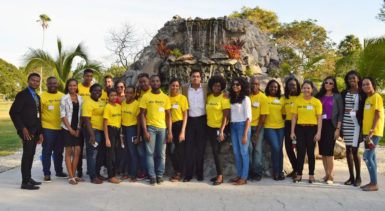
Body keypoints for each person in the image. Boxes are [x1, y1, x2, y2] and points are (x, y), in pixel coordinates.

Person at [9, 73, 44, 190]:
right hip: (26, 131)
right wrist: (22, 128)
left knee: (31, 154)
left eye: (37, 81)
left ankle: (28, 178)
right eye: (33, 80)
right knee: (27, 156)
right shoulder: (22, 95)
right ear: (28, 81)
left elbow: (38, 116)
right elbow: (13, 113)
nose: (35, 82)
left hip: (34, 131)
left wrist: (40, 132)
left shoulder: (37, 96)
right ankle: (25, 182)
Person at [140, 75, 172, 185]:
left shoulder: (165, 97)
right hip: (150, 128)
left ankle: (159, 175)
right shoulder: (146, 97)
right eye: (153, 81)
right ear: (150, 83)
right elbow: (142, 115)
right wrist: (145, 131)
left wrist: (170, 131)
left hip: (162, 128)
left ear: (160, 83)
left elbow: (169, 116)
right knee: (150, 153)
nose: (155, 83)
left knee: (161, 153)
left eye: (157, 81)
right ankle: (152, 176)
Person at [181, 68, 210, 182]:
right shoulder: (184, 88)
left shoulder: (205, 88)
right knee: (189, 149)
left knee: (200, 149)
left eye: (198, 76)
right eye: (193, 76)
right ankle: (188, 174)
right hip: (189, 121)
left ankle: (199, 174)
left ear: (201, 78)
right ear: (190, 78)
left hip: (202, 120)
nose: (195, 78)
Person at [291, 80, 322, 183]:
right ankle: (299, 174)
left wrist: (318, 132)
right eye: (304, 88)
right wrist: (292, 132)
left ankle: (311, 175)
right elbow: (294, 117)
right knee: (300, 152)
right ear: (301, 89)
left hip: (312, 129)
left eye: (308, 88)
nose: (306, 90)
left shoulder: (316, 102)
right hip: (300, 129)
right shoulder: (297, 101)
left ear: (312, 89)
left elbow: (319, 118)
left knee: (310, 153)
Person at [315, 76, 343, 184]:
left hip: (332, 125)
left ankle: (331, 176)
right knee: (323, 151)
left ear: (334, 85)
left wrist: (338, 129)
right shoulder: (319, 96)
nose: (328, 84)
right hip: (321, 125)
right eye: (326, 82)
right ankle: (326, 174)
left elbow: (340, 113)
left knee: (329, 151)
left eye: (331, 83)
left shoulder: (337, 96)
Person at [341, 70, 366, 186]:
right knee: (348, 149)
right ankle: (351, 177)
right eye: (349, 78)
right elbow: (341, 108)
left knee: (355, 150)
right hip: (346, 122)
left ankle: (358, 177)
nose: (351, 80)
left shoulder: (362, 93)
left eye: (353, 78)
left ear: (358, 79)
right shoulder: (344, 92)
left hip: (357, 123)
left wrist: (363, 127)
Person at [40, 77, 66, 182]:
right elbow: (39, 114)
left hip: (61, 129)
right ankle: (47, 173)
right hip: (47, 129)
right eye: (50, 83)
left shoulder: (63, 96)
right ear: (46, 85)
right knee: (47, 152)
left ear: (57, 84)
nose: (52, 85)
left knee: (59, 152)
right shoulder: (42, 97)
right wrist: (40, 130)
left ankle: (59, 171)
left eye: (54, 83)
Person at [205, 76, 229, 185]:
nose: (216, 87)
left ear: (222, 87)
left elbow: (226, 116)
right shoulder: (209, 97)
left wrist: (222, 130)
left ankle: (220, 175)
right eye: (215, 85)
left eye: (219, 86)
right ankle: (218, 174)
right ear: (211, 86)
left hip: (220, 128)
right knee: (214, 151)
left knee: (216, 151)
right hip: (209, 127)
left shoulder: (224, 98)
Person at [361, 77, 384, 191]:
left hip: (373, 133)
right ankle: (372, 182)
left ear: (373, 85)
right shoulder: (368, 99)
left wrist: (371, 132)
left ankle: (374, 184)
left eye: (368, 84)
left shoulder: (376, 97)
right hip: (367, 133)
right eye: (363, 84)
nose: (365, 86)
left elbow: (377, 115)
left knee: (367, 157)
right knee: (372, 158)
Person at [60, 79, 84, 185]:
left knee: (78, 151)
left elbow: (82, 115)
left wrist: (78, 129)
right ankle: (70, 177)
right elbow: (63, 115)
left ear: (77, 86)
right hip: (67, 128)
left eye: (74, 85)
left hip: (77, 128)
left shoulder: (81, 98)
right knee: (69, 152)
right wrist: (70, 129)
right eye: (70, 85)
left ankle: (73, 175)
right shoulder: (64, 98)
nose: (72, 87)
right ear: (67, 87)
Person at [228, 77, 251, 185]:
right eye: (234, 84)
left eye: (238, 84)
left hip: (243, 126)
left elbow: (248, 118)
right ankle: (239, 174)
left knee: (244, 152)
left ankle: (244, 177)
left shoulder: (245, 99)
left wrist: (245, 134)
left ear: (242, 86)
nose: (235, 86)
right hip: (233, 126)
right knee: (236, 153)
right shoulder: (232, 98)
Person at [82, 84, 106, 184]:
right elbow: (86, 120)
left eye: (100, 91)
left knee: (98, 154)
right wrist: (92, 135)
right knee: (92, 154)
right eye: (95, 91)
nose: (98, 92)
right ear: (90, 92)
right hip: (92, 131)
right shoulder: (88, 103)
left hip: (100, 131)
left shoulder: (101, 102)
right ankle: (93, 177)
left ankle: (96, 173)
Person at [168, 78, 189, 183]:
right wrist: (170, 131)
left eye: (177, 86)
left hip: (180, 125)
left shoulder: (182, 98)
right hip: (170, 126)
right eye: (173, 85)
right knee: (171, 150)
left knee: (180, 151)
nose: (175, 88)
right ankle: (177, 170)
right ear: (169, 86)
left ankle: (179, 173)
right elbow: (168, 115)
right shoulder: (167, 99)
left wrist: (183, 131)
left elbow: (185, 115)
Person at [264, 80, 285, 181]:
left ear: (278, 89)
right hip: (268, 127)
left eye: (275, 87)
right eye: (271, 87)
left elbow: (284, 113)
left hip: (280, 127)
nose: (273, 89)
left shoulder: (281, 99)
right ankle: (276, 172)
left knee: (280, 149)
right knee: (276, 147)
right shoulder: (265, 98)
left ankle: (281, 171)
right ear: (268, 87)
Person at [249, 77, 269, 181]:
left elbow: (263, 117)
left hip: (258, 127)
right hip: (247, 126)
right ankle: (249, 172)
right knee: (249, 149)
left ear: (259, 85)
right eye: (252, 84)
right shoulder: (247, 97)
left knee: (257, 150)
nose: (254, 86)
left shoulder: (263, 98)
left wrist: (257, 133)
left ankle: (257, 173)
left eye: (256, 84)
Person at [121, 86, 141, 182]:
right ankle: (127, 173)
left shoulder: (137, 104)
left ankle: (134, 174)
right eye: (126, 92)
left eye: (130, 93)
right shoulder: (123, 103)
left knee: (133, 152)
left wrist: (138, 136)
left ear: (133, 94)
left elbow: (139, 122)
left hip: (132, 129)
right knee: (126, 152)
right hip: (124, 129)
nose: (128, 94)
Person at [283, 77, 301, 178]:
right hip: (288, 125)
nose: (292, 87)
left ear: (297, 86)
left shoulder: (301, 97)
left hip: (299, 125)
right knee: (288, 148)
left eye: (294, 85)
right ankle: (295, 168)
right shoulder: (284, 98)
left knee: (299, 148)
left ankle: (298, 171)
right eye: (290, 85)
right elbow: (283, 112)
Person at [77, 68, 93, 178]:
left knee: (89, 148)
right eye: (87, 76)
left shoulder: (94, 88)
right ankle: (79, 170)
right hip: (78, 121)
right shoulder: (78, 87)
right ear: (83, 76)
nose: (89, 78)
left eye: (91, 76)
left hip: (89, 123)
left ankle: (89, 169)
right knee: (78, 147)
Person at [103, 88, 122, 184]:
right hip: (110, 130)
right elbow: (105, 123)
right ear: (108, 97)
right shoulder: (107, 107)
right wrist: (107, 138)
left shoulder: (119, 106)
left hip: (118, 131)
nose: (114, 97)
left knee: (117, 154)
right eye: (111, 95)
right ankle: (110, 176)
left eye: (115, 95)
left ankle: (114, 173)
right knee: (110, 154)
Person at [136, 73, 151, 180]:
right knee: (141, 151)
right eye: (141, 82)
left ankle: (150, 172)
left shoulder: (153, 92)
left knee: (150, 151)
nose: (143, 84)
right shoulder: (139, 93)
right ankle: (144, 171)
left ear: (149, 81)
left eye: (144, 81)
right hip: (139, 126)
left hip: (150, 125)